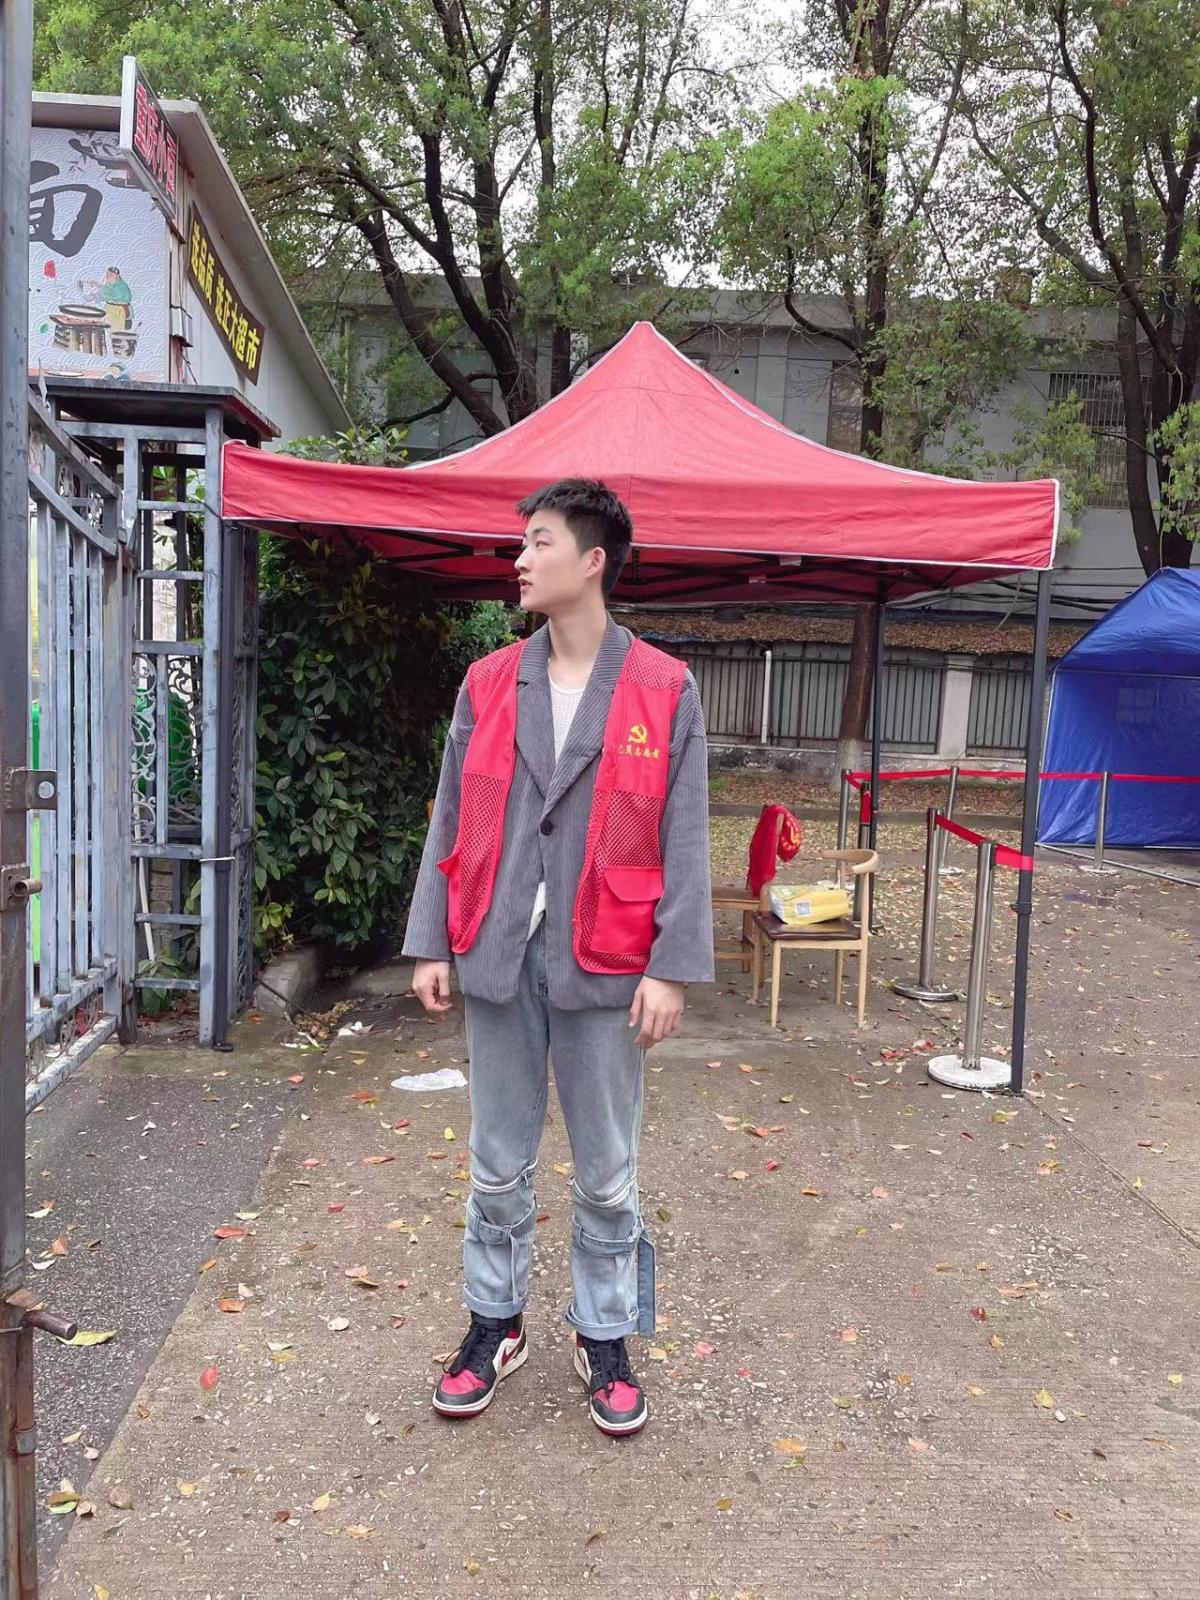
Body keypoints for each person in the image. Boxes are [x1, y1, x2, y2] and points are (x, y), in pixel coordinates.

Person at [402, 478, 714, 1437]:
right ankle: (493, 1323)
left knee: (608, 1168)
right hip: (497, 946)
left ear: (592, 561)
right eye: (521, 543)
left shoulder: (664, 687)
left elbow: (686, 832)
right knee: (496, 1160)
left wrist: (671, 966)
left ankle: (603, 1332)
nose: (520, 560)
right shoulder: (490, 682)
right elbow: (450, 812)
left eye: (539, 542)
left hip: (609, 957)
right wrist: (430, 939)